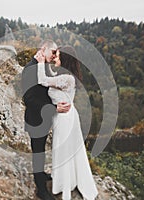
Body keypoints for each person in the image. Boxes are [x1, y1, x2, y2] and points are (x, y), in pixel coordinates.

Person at [35, 45, 98, 200]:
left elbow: (43, 80)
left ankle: (65, 184)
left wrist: (40, 62)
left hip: (65, 118)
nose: (55, 58)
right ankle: (64, 181)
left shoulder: (67, 78)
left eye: (57, 56)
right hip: (63, 116)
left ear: (65, 60)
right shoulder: (64, 76)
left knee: (63, 150)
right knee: (63, 149)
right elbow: (51, 79)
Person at [21, 40, 71, 200]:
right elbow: (29, 99)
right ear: (43, 50)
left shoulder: (42, 67)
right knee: (38, 153)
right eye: (53, 52)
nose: (55, 55)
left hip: (44, 118)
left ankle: (41, 174)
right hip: (35, 119)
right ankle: (41, 190)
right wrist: (54, 109)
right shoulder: (30, 69)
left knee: (41, 150)